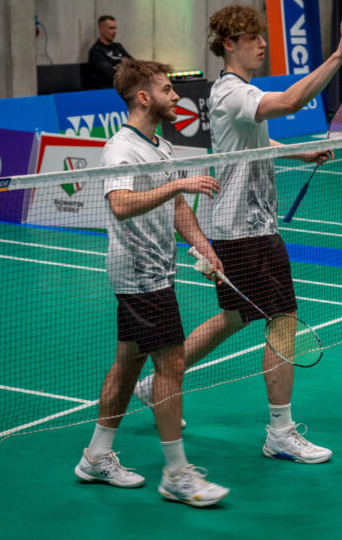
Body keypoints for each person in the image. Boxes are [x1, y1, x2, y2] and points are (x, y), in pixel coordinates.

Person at [134, 5, 342, 465]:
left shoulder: (229, 92)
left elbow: (252, 142)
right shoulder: (234, 92)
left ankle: (156, 385)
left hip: (235, 226)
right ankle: (281, 433)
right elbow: (289, 102)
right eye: (252, 37)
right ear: (228, 44)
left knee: (234, 316)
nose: (262, 44)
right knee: (284, 320)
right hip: (247, 229)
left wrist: (298, 153)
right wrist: (336, 58)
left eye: (262, 36)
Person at [74, 59, 230, 507]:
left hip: (159, 270)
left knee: (128, 364)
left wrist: (204, 247)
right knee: (171, 365)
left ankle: (95, 457)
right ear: (144, 97)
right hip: (139, 275)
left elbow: (177, 208)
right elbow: (121, 204)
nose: (175, 96)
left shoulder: (161, 146)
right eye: (166, 89)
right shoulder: (121, 150)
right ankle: (177, 474)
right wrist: (177, 185)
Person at [87, 15, 134, 89]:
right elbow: (111, 73)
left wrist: (117, 67)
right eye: (111, 28)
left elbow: (135, 64)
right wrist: (124, 65)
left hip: (122, 88)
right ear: (101, 29)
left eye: (115, 28)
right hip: (105, 90)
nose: (114, 31)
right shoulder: (96, 51)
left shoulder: (118, 46)